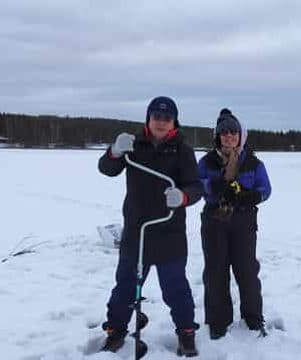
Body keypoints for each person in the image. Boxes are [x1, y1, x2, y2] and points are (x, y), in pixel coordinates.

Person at [98, 96, 203, 357]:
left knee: (176, 288)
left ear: (173, 122)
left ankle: (186, 333)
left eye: (166, 118)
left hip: (169, 232)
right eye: (156, 116)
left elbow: (196, 187)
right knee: (124, 286)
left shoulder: (183, 150)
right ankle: (116, 330)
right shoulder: (134, 144)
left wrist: (183, 196)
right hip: (137, 232)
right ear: (148, 118)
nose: (161, 122)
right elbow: (107, 169)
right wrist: (114, 152)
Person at [197, 108, 272, 340]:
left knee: (247, 271)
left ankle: (253, 319)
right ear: (217, 136)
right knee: (215, 273)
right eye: (224, 132)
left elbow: (266, 189)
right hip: (215, 221)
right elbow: (196, 184)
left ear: (241, 136)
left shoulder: (252, 162)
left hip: (244, 222)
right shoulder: (207, 161)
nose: (229, 136)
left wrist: (251, 196)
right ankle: (218, 323)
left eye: (233, 132)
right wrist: (214, 186)